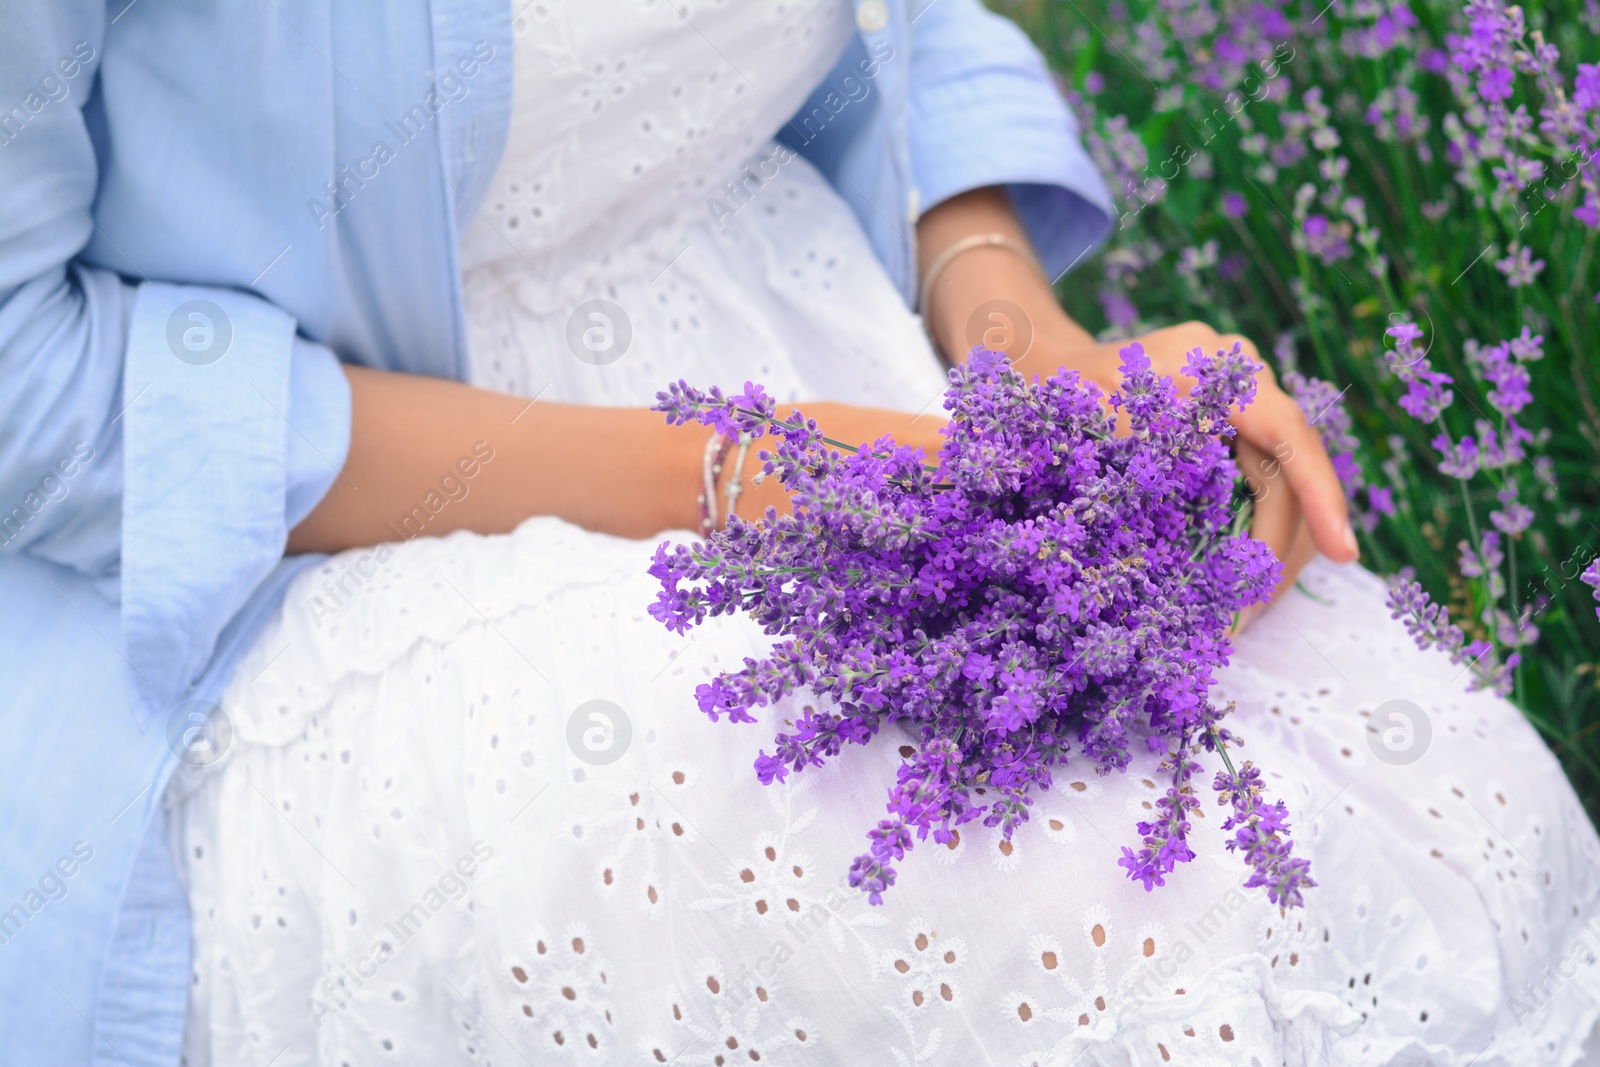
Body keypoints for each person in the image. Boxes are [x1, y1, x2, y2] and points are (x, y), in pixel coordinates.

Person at [3, 2, 1598, 1064]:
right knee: (1081, 931)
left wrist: (1014, 333)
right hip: (296, 537)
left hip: (809, 352)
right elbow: (27, 385)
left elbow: (874, 40)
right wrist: (767, 477)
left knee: (1444, 814)